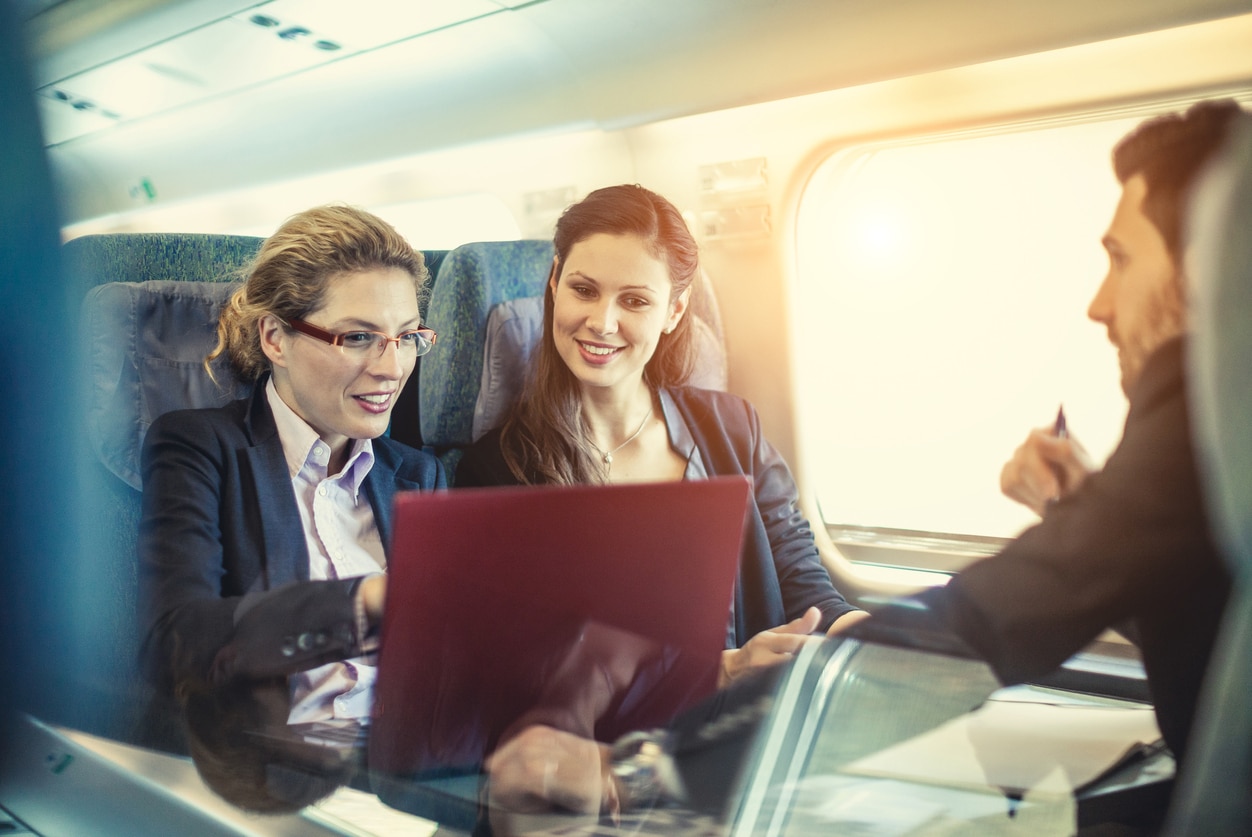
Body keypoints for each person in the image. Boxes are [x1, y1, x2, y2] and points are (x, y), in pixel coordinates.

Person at [862, 99, 1245, 774]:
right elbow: (1208, 616)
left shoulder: (1193, 401)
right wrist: (1082, 508)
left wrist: (677, 753)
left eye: (1122, 259)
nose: (1099, 304)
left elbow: (986, 620)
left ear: (1214, 268)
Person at [455, 184, 867, 688]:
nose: (602, 322)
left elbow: (799, 573)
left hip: (748, 725)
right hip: (608, 747)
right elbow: (535, 659)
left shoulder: (733, 429)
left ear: (674, 311)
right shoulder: (498, 470)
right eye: (584, 290)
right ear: (555, 282)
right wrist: (722, 669)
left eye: (634, 300)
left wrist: (865, 632)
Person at [139, 204, 445, 734]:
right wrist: (365, 602)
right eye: (357, 337)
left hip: (403, 761)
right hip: (273, 768)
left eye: (407, 337)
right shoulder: (201, 448)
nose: (392, 368)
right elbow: (177, 644)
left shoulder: (421, 477)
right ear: (275, 338)